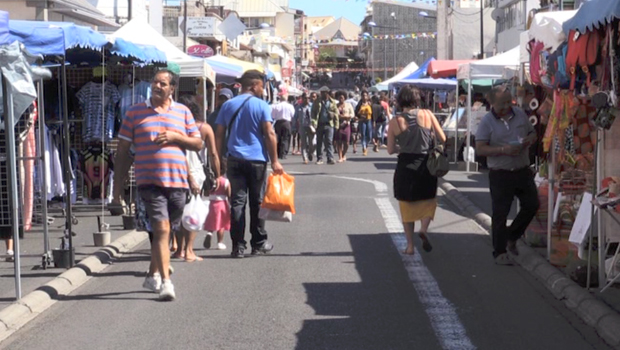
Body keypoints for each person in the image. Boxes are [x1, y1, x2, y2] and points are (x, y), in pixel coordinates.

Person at [113, 69, 203, 301]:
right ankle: (166, 283)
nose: (157, 86)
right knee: (161, 229)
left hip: (178, 182)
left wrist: (176, 138)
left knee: (167, 231)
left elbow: (198, 143)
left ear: (172, 88)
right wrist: (117, 186)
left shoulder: (182, 112)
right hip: (149, 182)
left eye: (163, 83)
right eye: (155, 82)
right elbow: (123, 152)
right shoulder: (135, 113)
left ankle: (152, 273)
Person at [214, 70, 284, 258]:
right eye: (261, 85)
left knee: (237, 202)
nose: (263, 89)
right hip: (257, 161)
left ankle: (238, 246)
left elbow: (219, 134)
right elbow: (269, 133)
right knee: (257, 202)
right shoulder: (261, 106)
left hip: (234, 159)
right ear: (253, 85)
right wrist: (275, 160)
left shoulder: (227, 105)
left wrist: (219, 158)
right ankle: (258, 243)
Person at [475, 85, 539, 265]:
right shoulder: (487, 121)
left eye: (508, 101)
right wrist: (503, 149)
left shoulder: (519, 114)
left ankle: (512, 236)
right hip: (500, 173)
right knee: (500, 213)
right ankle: (500, 251)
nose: (506, 106)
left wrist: (529, 140)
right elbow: (480, 148)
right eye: (501, 103)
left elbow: (532, 133)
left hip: (522, 169)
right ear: (492, 103)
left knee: (532, 204)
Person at [387, 85, 446, 255]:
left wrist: (403, 147)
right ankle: (424, 229)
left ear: (400, 101)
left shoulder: (395, 121)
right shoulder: (427, 114)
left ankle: (410, 246)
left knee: (406, 204)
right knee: (428, 199)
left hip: (406, 164)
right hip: (426, 163)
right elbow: (442, 137)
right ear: (417, 99)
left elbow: (390, 149)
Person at [172, 94, 220, 262]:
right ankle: (189, 250)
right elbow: (213, 154)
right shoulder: (204, 128)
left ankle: (179, 249)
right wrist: (218, 175)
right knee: (193, 211)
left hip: (177, 170)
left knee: (178, 210)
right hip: (196, 172)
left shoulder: (175, 127)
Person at [203, 161, 230, 251]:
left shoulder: (211, 181)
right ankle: (220, 242)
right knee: (221, 224)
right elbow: (229, 193)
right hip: (222, 203)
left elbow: (206, 194)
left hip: (212, 203)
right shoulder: (225, 181)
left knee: (212, 221)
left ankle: (209, 233)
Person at [311, 86, 339, 165]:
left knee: (329, 141)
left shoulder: (332, 102)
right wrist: (313, 121)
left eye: (324, 92)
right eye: (321, 92)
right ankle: (319, 158)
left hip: (329, 124)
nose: (322, 94)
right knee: (319, 142)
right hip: (319, 124)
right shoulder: (317, 101)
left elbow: (336, 114)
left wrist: (336, 125)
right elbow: (313, 112)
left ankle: (330, 158)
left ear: (327, 93)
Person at [271, 92, 295, 159]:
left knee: (278, 138)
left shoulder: (276, 106)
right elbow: (293, 115)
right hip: (286, 122)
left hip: (278, 122)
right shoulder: (290, 106)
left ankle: (278, 152)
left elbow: (273, 115)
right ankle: (283, 153)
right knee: (286, 138)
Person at [334, 90, 354, 162]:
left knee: (347, 142)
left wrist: (347, 116)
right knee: (339, 141)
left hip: (346, 125)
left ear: (345, 98)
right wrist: (339, 117)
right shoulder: (335, 106)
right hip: (338, 125)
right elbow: (334, 114)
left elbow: (352, 114)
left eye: (342, 97)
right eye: (339, 97)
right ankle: (340, 157)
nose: (341, 99)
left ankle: (343, 154)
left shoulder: (348, 105)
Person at [295, 93, 314, 164]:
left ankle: (310, 152)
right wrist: (294, 128)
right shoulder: (298, 107)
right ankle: (305, 158)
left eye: (308, 98)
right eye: (305, 98)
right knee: (303, 143)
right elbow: (295, 117)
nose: (307, 99)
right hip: (302, 126)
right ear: (302, 99)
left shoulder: (312, 106)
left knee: (312, 143)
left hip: (311, 126)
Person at [355, 90, 373, 156]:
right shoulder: (359, 104)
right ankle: (364, 147)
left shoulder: (370, 104)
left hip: (369, 120)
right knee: (363, 134)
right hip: (362, 121)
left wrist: (373, 121)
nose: (364, 97)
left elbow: (373, 113)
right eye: (363, 95)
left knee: (369, 135)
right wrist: (360, 116)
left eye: (365, 95)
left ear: (368, 96)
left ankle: (367, 144)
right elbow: (356, 112)